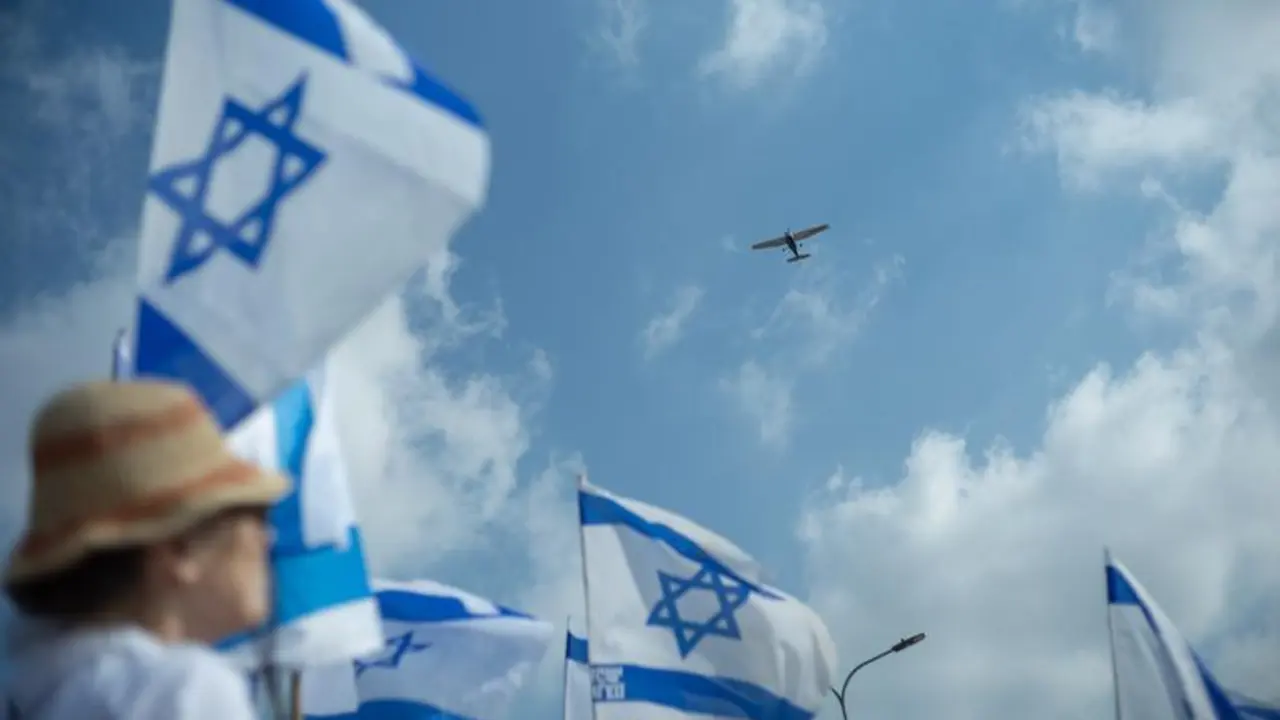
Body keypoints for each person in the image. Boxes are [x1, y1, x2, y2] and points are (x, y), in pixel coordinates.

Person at [2, 379, 289, 719]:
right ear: (180, 548)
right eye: (254, 514)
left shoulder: (41, 693)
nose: (266, 538)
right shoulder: (182, 693)